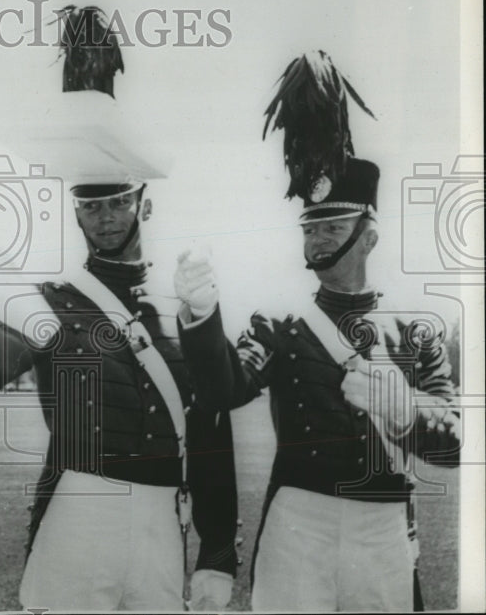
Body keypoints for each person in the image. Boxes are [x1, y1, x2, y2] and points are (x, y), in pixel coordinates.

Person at [0, 7, 239, 611]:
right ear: (75, 211)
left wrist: (218, 547)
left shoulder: (182, 303)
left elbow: (217, 414)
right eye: (90, 206)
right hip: (79, 506)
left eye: (117, 202)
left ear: (145, 204)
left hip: (165, 514)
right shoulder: (50, 299)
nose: (104, 218)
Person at [174, 51, 461, 611]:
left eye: (333, 226)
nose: (318, 242)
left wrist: (405, 411)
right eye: (311, 229)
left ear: (369, 236)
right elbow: (223, 389)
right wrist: (201, 314)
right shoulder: (280, 326)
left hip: (384, 527)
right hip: (298, 524)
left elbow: (455, 443)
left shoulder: (416, 331)